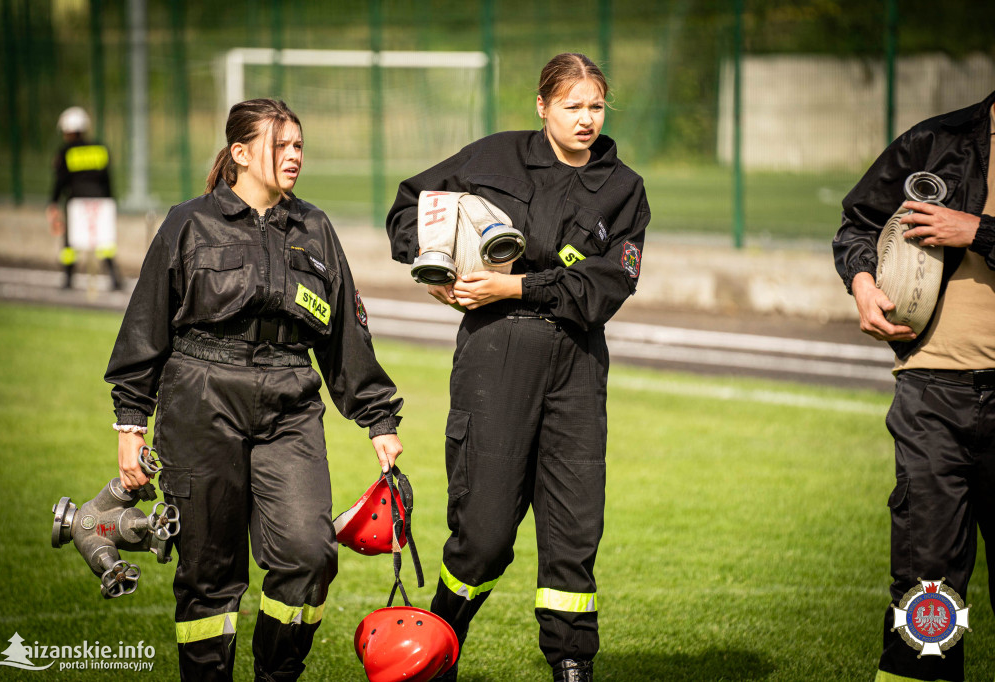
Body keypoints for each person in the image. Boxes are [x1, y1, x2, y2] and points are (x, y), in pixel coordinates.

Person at [105, 99, 404, 681]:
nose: (294, 156)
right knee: (208, 571)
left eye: (299, 146)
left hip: (290, 400)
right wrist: (130, 421)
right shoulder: (188, 223)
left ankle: (276, 675)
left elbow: (345, 332)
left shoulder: (315, 228)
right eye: (281, 145)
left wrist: (379, 420)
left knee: (309, 555)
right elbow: (145, 325)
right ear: (240, 154)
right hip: (200, 398)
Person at [387, 53, 649, 682]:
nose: (586, 119)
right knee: (483, 532)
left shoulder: (624, 187)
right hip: (494, 354)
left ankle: (571, 663)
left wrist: (519, 288)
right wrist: (437, 271)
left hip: (577, 363)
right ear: (542, 106)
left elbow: (607, 286)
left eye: (596, 106)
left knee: (573, 529)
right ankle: (439, 644)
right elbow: (406, 210)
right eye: (572, 106)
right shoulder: (492, 158)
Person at [833, 89, 995, 682]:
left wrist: (978, 231)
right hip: (932, 394)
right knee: (927, 591)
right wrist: (861, 280)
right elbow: (857, 224)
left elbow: (971, 231)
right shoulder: (936, 143)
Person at [47, 106, 122, 290]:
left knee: (70, 244)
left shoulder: (65, 152)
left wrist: (53, 202)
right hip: (101, 202)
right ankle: (114, 278)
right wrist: (111, 202)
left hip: (76, 204)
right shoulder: (100, 149)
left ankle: (68, 279)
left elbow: (60, 181)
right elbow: (108, 180)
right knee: (105, 242)